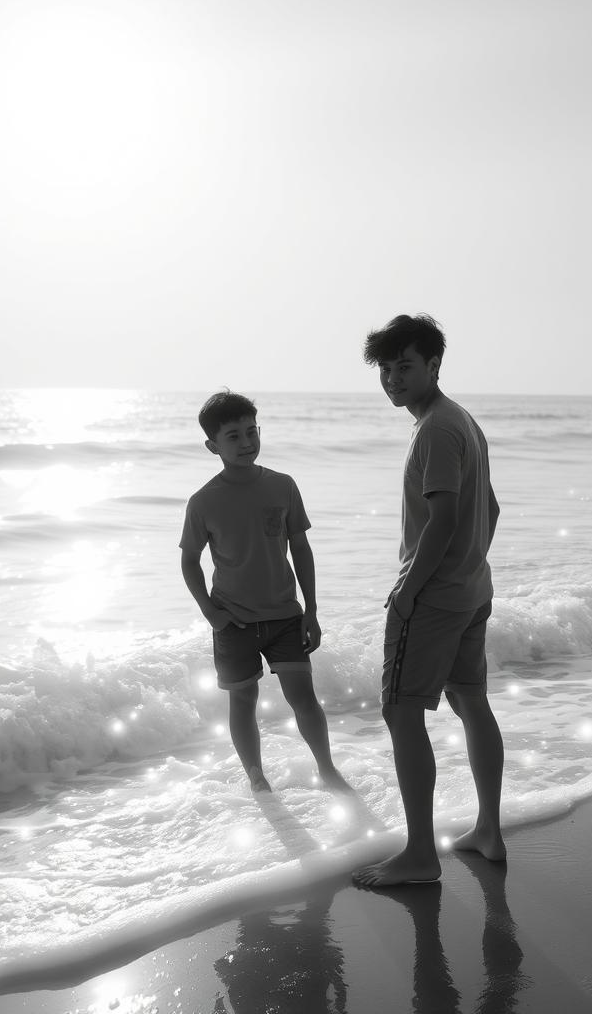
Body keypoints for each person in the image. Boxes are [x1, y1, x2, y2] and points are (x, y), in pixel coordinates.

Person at [353, 314, 506, 888]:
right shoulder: (461, 420)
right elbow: (490, 508)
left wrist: (409, 590)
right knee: (470, 701)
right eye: (385, 370)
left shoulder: (435, 429)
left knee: (401, 712)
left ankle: (420, 855)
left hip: (436, 598)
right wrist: (470, 564)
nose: (393, 379)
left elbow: (443, 518)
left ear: (435, 365)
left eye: (405, 367)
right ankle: (488, 830)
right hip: (471, 590)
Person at [180, 390, 348, 793]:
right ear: (212, 446)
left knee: (303, 698)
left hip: (285, 615)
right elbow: (189, 561)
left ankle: (327, 769)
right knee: (242, 701)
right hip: (233, 621)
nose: (246, 442)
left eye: (251, 431)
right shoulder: (203, 501)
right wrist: (211, 612)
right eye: (233, 436)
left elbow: (301, 549)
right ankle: (256, 778)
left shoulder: (283, 486)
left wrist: (311, 610)